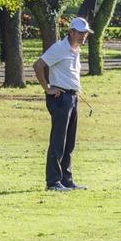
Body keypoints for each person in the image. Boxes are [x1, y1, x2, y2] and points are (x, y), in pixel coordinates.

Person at [33, 16, 93, 192]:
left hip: (73, 97)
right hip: (60, 97)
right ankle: (53, 182)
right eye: (81, 33)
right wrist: (47, 88)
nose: (83, 37)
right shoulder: (59, 48)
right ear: (71, 32)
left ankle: (66, 180)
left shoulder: (75, 50)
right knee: (58, 140)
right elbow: (38, 65)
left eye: (86, 34)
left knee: (69, 142)